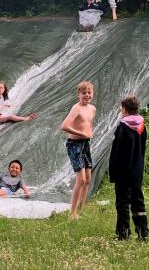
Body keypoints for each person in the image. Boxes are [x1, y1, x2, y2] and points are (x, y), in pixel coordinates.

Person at [108, 95, 149, 241]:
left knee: (123, 202)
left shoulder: (123, 128)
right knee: (138, 200)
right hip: (137, 170)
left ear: (124, 109)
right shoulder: (142, 127)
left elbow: (116, 153)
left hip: (123, 172)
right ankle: (143, 232)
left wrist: (112, 172)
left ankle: (123, 233)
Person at [60, 81, 96, 219]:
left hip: (85, 143)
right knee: (80, 179)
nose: (87, 95)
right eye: (84, 93)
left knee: (87, 179)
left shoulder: (92, 108)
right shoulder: (76, 108)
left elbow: (88, 124)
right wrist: (81, 134)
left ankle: (81, 209)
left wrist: (88, 132)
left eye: (89, 92)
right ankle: (72, 213)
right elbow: (64, 126)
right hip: (74, 144)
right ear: (78, 94)